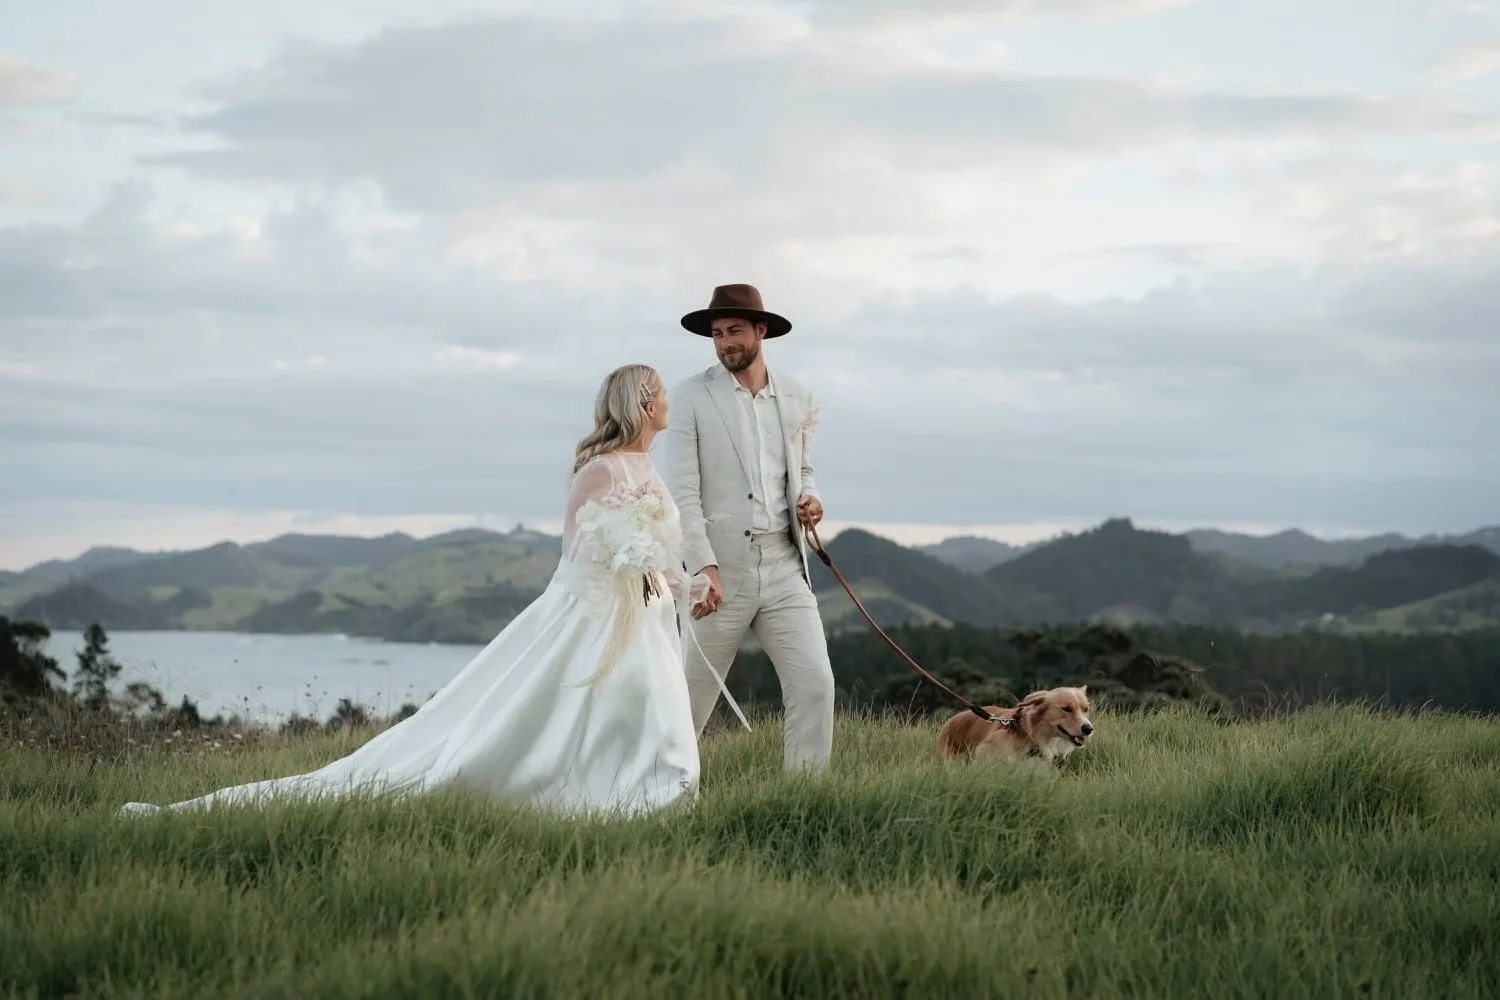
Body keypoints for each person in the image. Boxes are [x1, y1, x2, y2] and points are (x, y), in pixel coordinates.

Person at [119, 363, 745, 820]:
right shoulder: (600, 469)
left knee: (646, 704)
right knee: (574, 709)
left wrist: (677, 582)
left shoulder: (648, 468)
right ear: (642, 403)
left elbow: (662, 546)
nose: (668, 402)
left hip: (647, 613)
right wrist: (624, 569)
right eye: (661, 394)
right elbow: (575, 553)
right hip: (597, 613)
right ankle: (594, 793)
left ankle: (657, 793)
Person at [664, 283, 837, 773]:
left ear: (762, 331)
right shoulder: (690, 397)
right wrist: (703, 567)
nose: (725, 343)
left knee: (815, 685)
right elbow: (683, 493)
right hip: (718, 573)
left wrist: (811, 498)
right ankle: (665, 798)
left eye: (735, 331)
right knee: (690, 697)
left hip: (785, 566)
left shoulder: (798, 396)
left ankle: (806, 800)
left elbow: (802, 468)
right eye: (717, 334)